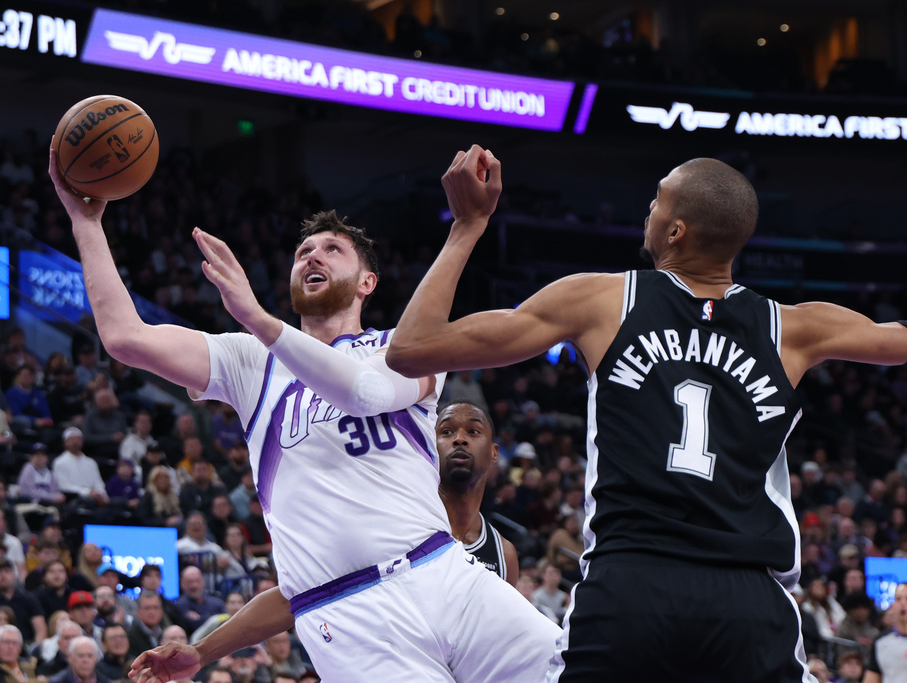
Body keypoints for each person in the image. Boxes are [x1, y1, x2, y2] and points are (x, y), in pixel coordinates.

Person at [387, 146, 907, 681]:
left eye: (657, 200)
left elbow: (411, 349)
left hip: (629, 586)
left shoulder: (603, 300)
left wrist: (467, 225)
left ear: (676, 231)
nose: (649, 210)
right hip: (749, 604)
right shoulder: (795, 328)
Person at [49, 148, 557, 683]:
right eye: (303, 252)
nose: (313, 257)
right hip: (348, 614)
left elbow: (361, 391)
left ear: (367, 282)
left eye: (332, 249)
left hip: (444, 572)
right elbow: (125, 338)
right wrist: (86, 222)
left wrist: (257, 318)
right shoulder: (251, 361)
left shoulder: (402, 346)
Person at [435, 400, 519, 584]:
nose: (459, 439)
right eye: (447, 431)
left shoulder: (504, 555)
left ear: (494, 453)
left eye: (473, 431)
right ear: (430, 447)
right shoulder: (405, 526)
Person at [865, 583, 907, 683]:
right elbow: (871, 678)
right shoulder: (881, 641)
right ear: (892, 605)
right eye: (898, 599)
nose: (903, 603)